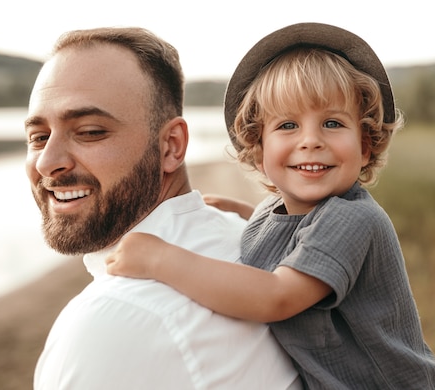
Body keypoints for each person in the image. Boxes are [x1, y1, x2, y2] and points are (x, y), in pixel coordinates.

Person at [107, 23, 435, 389]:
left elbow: (277, 296)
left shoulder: (354, 218)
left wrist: (159, 258)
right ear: (259, 148)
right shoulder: (277, 210)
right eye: (288, 125)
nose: (311, 141)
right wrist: (241, 212)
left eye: (332, 123)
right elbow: (285, 228)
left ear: (365, 145)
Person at [25, 26, 301, 389]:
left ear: (171, 146)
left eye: (90, 131)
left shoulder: (109, 324)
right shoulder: (251, 243)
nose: (47, 162)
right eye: (39, 137)